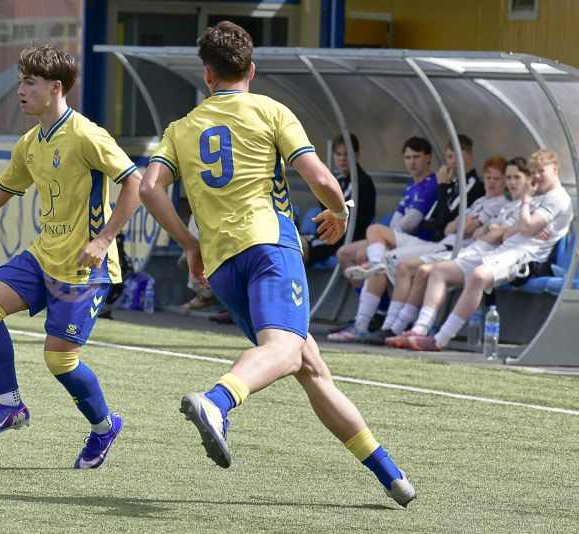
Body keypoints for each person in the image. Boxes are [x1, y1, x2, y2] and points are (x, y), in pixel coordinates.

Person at [138, 21, 415, 506]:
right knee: (286, 353)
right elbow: (322, 178)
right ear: (251, 68)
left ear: (208, 76)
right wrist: (338, 210)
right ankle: (217, 401)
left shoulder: (182, 128)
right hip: (269, 245)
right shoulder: (269, 109)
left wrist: (188, 243)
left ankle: (389, 472)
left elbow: (148, 188)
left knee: (309, 366)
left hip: (223, 268)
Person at [0, 44, 142, 468]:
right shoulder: (31, 142)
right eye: (20, 81)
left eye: (29, 82)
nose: (20, 90)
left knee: (59, 360)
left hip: (83, 269)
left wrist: (105, 240)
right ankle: (10, 403)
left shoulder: (87, 135)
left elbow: (135, 184)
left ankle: (105, 426)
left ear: (55, 88)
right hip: (42, 255)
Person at [404, 149, 573, 351]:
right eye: (534, 171)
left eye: (541, 171)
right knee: (440, 271)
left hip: (521, 259)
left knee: (478, 276)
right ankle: (420, 330)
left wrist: (526, 202)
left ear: (555, 169)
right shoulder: (542, 199)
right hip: (502, 251)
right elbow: (511, 233)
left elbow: (525, 227)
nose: (536, 176)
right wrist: (522, 224)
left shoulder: (557, 198)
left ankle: (439, 340)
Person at [331, 155, 508, 344]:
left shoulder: (500, 203)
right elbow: (449, 227)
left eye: (497, 179)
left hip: (452, 250)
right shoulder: (479, 202)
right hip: (441, 244)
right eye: (488, 178)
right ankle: (376, 321)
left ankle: (388, 326)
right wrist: (461, 224)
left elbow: (463, 230)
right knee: (376, 237)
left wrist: (462, 224)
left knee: (399, 264)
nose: (491, 183)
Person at [385, 157, 531, 345]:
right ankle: (404, 327)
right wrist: (487, 229)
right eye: (489, 178)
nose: (509, 182)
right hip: (466, 247)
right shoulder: (488, 202)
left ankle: (406, 328)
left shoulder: (510, 204)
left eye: (513, 178)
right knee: (409, 267)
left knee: (421, 269)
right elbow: (456, 229)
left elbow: (495, 235)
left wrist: (488, 229)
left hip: (484, 255)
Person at [335, 136, 438, 286]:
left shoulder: (432, 184)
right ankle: (370, 301)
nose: (412, 162)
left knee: (363, 254)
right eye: (408, 157)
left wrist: (389, 236)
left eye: (416, 157)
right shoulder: (411, 186)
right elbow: (397, 217)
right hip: (400, 237)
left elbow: (410, 222)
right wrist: (389, 235)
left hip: (418, 241)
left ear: (428, 158)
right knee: (343, 253)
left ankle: (378, 305)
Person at [302, 133, 376, 265]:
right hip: (334, 235)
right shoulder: (340, 180)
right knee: (293, 242)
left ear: (357, 155)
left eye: (347, 154)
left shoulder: (361, 182)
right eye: (338, 154)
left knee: (299, 249)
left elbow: (340, 214)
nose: (342, 158)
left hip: (345, 238)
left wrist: (323, 186)